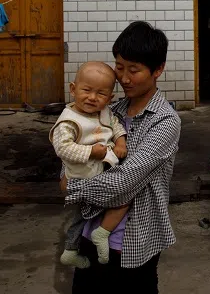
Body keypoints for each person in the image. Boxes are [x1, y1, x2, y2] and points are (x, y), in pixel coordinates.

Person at [64, 21, 181, 293]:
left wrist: (72, 187)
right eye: (119, 67)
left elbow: (123, 183)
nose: (124, 78)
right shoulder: (109, 110)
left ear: (158, 70)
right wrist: (68, 171)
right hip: (88, 233)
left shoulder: (165, 122)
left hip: (131, 245)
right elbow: (71, 151)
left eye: (134, 70)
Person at [51, 61, 129, 268]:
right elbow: (63, 149)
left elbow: (116, 126)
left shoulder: (106, 112)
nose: (93, 98)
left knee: (82, 215)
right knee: (123, 197)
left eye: (101, 94)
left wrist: (121, 140)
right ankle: (102, 233)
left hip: (102, 170)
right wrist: (90, 152)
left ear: (110, 98)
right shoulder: (68, 121)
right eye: (86, 90)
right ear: (73, 89)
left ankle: (71, 249)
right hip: (83, 175)